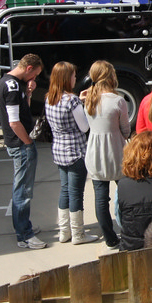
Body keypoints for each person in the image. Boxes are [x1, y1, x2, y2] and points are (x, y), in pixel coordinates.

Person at [44, 61, 97, 245]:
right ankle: (78, 234)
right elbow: (84, 127)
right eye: (74, 76)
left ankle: (64, 231)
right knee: (76, 193)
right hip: (75, 151)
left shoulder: (50, 98)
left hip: (59, 150)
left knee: (65, 190)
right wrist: (84, 106)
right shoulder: (72, 100)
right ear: (67, 78)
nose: (75, 79)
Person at [0, 53, 46, 249]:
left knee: (22, 189)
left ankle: (24, 227)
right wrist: (27, 142)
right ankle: (24, 235)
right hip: (20, 145)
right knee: (23, 191)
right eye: (34, 74)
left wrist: (29, 94)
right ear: (29, 68)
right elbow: (14, 122)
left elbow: (22, 111)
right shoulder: (12, 86)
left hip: (19, 143)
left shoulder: (13, 84)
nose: (34, 78)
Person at [82, 60, 129, 248]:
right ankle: (128, 230)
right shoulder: (118, 100)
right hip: (116, 151)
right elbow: (126, 131)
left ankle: (110, 238)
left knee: (101, 199)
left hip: (94, 152)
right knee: (124, 194)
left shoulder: (89, 99)